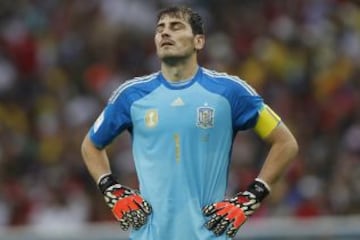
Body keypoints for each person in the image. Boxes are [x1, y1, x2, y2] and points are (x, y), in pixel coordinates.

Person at [81, 5, 298, 240]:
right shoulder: (131, 95)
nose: (165, 33)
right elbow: (91, 145)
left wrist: (253, 196)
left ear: (199, 41)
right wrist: (110, 187)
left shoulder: (230, 92)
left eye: (176, 27)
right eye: (160, 29)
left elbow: (285, 143)